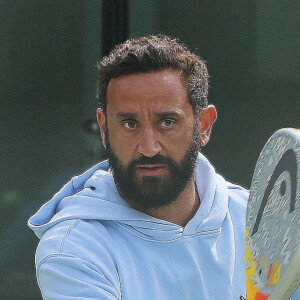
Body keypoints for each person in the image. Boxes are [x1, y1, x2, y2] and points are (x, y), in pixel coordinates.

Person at [28, 35, 249, 299]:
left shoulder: (259, 221)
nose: (148, 147)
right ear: (103, 127)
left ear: (203, 125)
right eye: (129, 124)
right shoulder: (75, 248)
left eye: (167, 122)